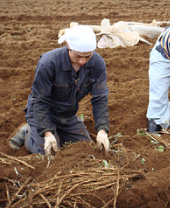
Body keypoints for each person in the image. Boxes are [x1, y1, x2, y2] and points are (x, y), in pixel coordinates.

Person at [8, 25, 110, 155]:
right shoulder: (49, 63)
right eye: (78, 56)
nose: (83, 61)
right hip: (43, 113)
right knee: (47, 153)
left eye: (88, 56)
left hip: (67, 115)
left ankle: (57, 133)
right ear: (68, 46)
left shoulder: (97, 63)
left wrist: (102, 130)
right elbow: (40, 100)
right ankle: (29, 133)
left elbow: (100, 98)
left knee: (85, 149)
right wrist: (47, 132)